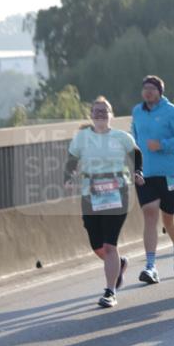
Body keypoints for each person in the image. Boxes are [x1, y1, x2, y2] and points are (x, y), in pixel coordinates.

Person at [64, 97, 143, 308]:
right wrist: (68, 178)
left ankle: (110, 291)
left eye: (104, 110)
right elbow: (71, 160)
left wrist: (137, 172)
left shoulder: (122, 137)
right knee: (97, 245)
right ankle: (120, 263)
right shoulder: (82, 138)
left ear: (111, 115)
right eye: (96, 110)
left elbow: (136, 153)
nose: (100, 113)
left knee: (109, 245)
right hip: (91, 194)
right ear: (91, 115)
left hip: (118, 193)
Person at [131, 75, 174, 283]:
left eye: (152, 88)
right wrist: (134, 166)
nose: (148, 92)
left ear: (160, 91)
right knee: (149, 214)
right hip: (145, 173)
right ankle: (150, 266)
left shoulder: (171, 111)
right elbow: (135, 140)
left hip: (169, 172)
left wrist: (163, 144)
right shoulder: (137, 112)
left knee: (168, 218)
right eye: (145, 88)